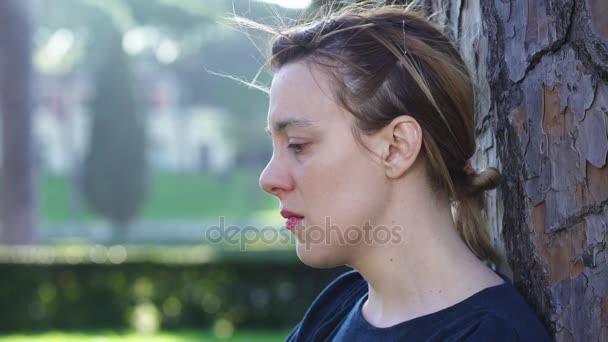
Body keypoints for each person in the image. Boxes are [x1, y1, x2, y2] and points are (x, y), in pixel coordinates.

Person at [255, 2, 552, 341]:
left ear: (397, 147)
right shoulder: (337, 306)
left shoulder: (490, 335)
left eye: (297, 144)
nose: (268, 179)